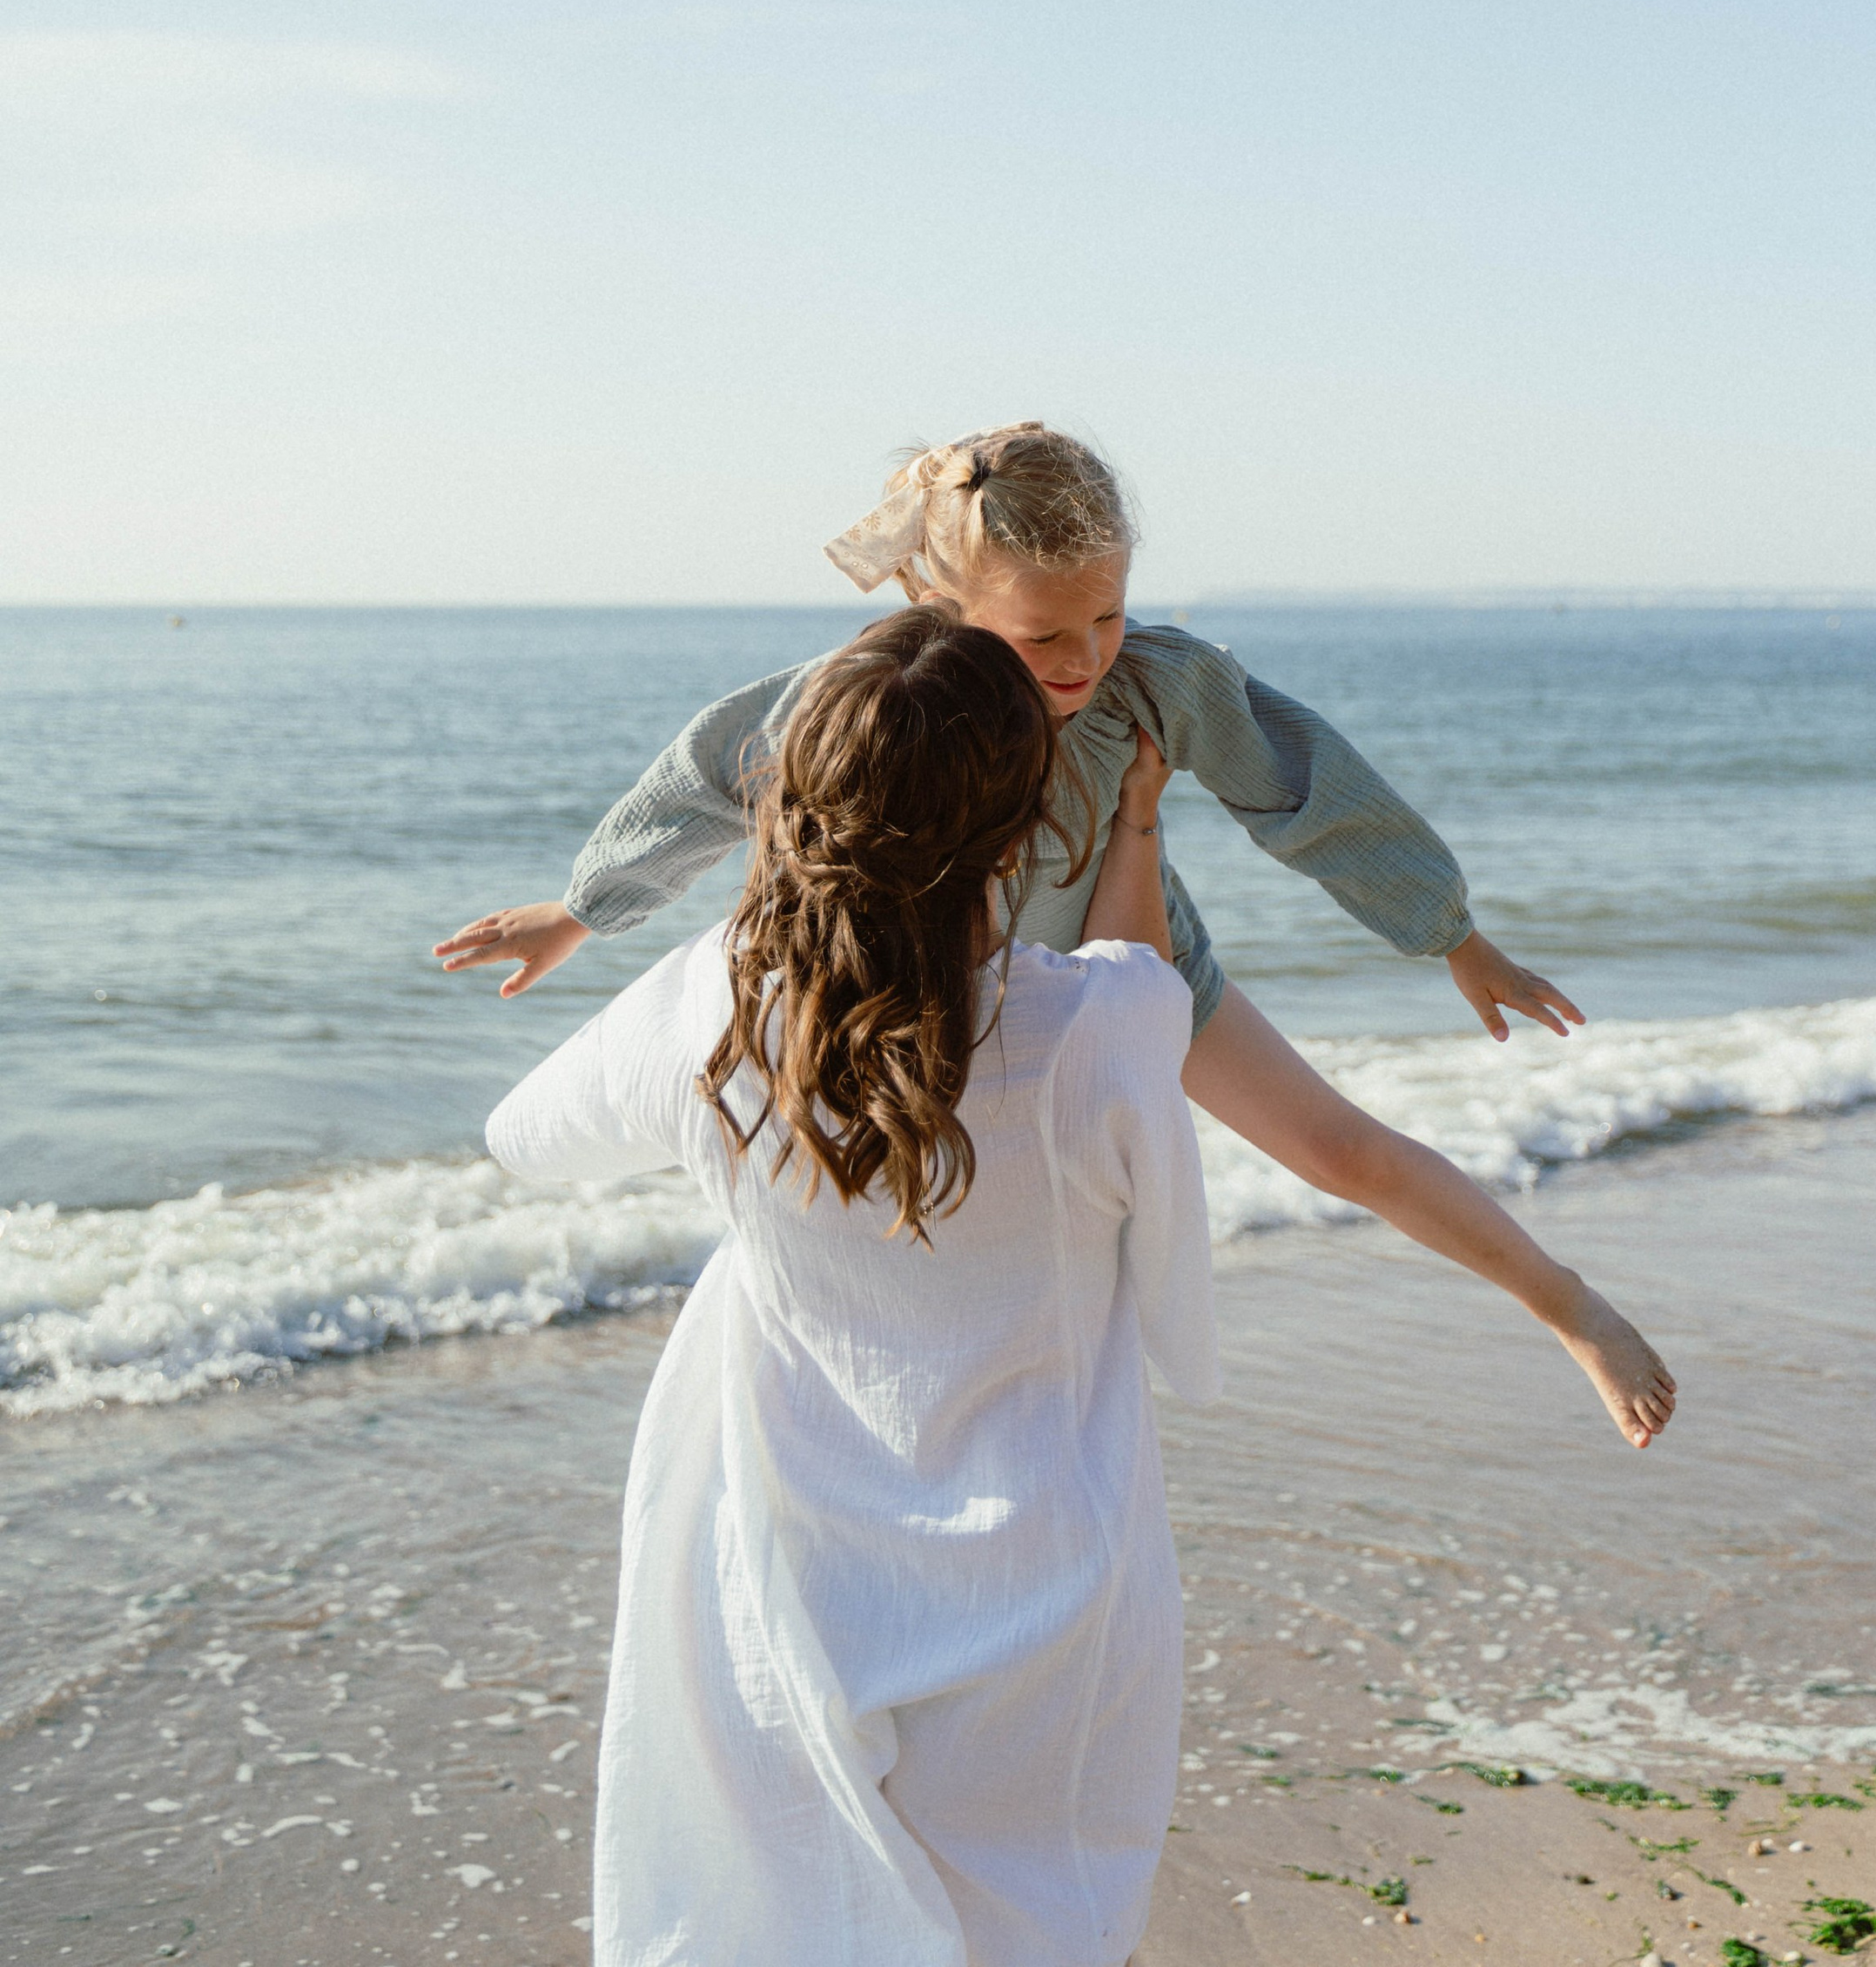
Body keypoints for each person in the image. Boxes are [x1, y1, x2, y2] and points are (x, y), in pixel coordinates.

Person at [446, 423, 1674, 1448]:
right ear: (942, 600)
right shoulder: (873, 691)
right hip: (940, 977)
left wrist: (1450, 935)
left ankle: (1566, 1305)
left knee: (1342, 1150)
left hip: (1135, 965)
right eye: (1044, 636)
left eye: (1110, 615)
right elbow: (713, 775)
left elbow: (1304, 786)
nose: (1086, 656)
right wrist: (583, 909)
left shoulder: (1153, 681)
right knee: (901, 1207)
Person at [487, 608, 1211, 1967]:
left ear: (794, 800)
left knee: (789, 1924)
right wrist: (1134, 822)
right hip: (1052, 1577)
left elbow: (522, 1140)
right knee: (1039, 1921)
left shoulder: (717, 1009)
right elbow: (1137, 985)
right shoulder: (1098, 1032)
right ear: (1021, 828)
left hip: (794, 1568)